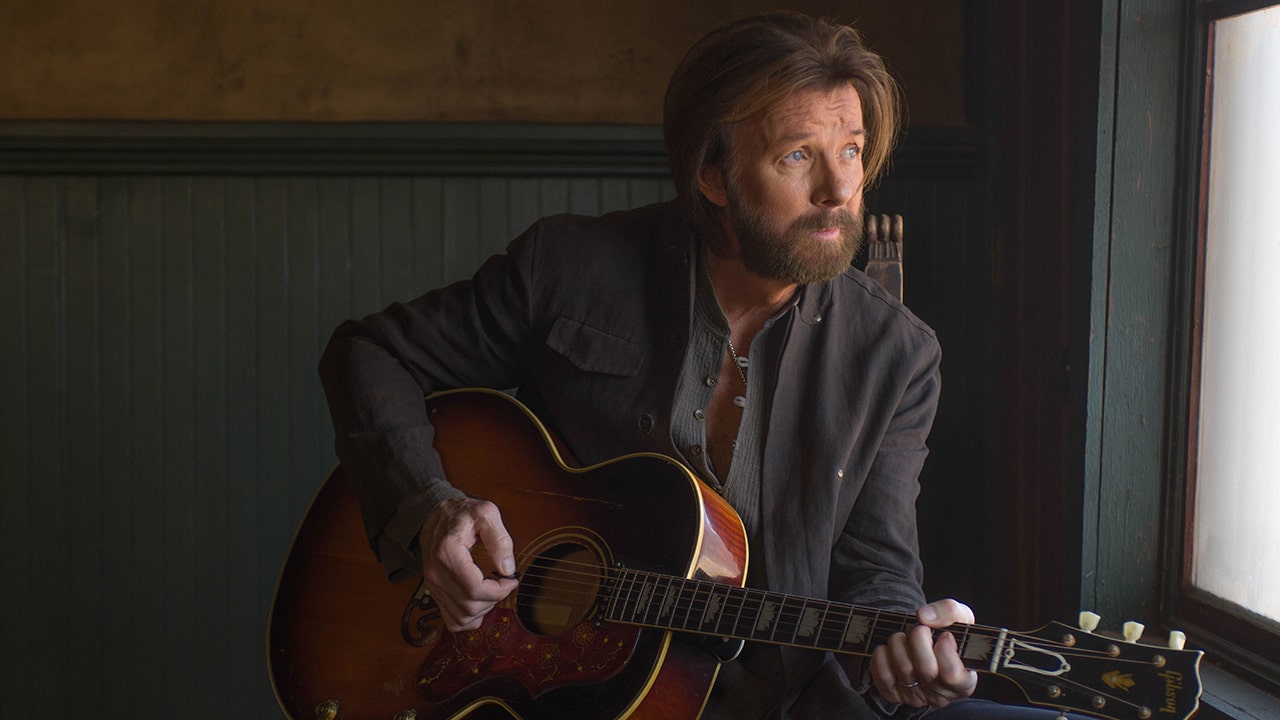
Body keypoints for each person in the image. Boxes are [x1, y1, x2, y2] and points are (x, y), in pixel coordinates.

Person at [320, 11, 1087, 720]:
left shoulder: (897, 355)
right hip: (557, 691)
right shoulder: (570, 270)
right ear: (714, 175)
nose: (839, 190)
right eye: (798, 155)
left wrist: (908, 652)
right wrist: (430, 510)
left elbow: (877, 571)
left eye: (852, 150)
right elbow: (369, 353)